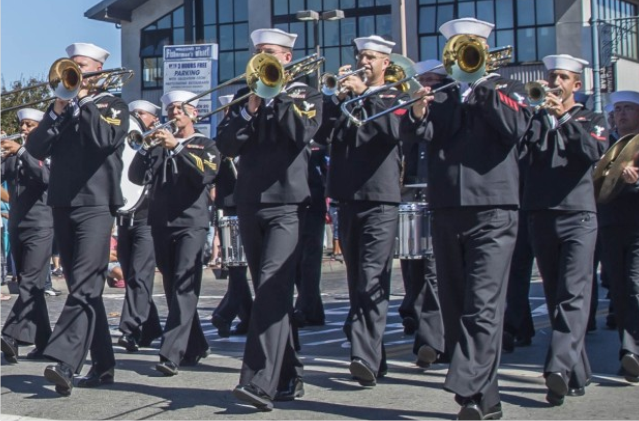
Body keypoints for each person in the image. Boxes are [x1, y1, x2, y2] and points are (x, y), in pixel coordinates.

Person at [402, 18, 531, 420]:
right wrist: (418, 111)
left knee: (483, 304)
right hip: (446, 208)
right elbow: (416, 140)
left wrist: (484, 86)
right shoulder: (441, 94)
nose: (465, 56)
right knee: (458, 306)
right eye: (459, 48)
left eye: (470, 48)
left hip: (493, 207)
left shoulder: (506, 88)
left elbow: (515, 128)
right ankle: (484, 401)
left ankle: (465, 382)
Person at [217, 28, 322, 411]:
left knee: (273, 289)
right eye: (259, 52)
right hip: (250, 201)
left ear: (288, 59)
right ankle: (289, 376)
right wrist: (249, 109)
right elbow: (225, 146)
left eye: (271, 52)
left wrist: (275, 98)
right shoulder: (244, 98)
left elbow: (300, 134)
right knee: (269, 291)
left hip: (288, 203)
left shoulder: (305, 95)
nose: (263, 58)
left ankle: (258, 380)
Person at [26, 42, 129, 396]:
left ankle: (66, 363)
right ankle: (103, 364)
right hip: (63, 203)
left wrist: (83, 101)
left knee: (85, 283)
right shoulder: (63, 107)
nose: (76, 73)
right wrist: (55, 110)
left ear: (99, 71)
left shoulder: (112, 105)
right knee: (83, 288)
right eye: (73, 67)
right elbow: (36, 149)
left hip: (97, 203)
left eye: (82, 66)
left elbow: (102, 139)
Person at [315, 34, 407, 387]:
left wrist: (363, 96)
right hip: (347, 196)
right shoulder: (347, 98)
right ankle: (374, 357)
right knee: (357, 280)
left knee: (371, 277)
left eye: (370, 57)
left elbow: (390, 131)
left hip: (380, 198)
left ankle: (363, 356)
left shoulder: (393, 96)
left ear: (386, 62)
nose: (363, 62)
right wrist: (333, 99)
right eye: (360, 56)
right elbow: (321, 135)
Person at [522, 54, 608, 405]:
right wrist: (540, 115)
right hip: (541, 213)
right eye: (551, 76)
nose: (554, 82)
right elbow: (523, 153)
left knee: (574, 294)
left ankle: (556, 368)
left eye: (562, 77)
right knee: (557, 295)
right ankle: (577, 373)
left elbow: (591, 152)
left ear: (576, 84)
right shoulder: (535, 116)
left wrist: (564, 118)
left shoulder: (592, 119)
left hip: (578, 215)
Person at [129, 90, 220, 376]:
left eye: (180, 109)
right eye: (170, 110)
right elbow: (135, 177)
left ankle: (170, 352)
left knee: (184, 285)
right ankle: (195, 344)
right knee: (171, 288)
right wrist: (145, 149)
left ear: (193, 113)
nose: (174, 114)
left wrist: (177, 149)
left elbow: (204, 176)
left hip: (192, 222)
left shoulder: (205, 145)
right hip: (161, 222)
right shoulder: (157, 146)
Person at [398, 59, 447, 366]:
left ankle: (431, 340)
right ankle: (416, 321)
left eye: (433, 80)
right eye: (423, 80)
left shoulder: (447, 109)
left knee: (433, 271)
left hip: (438, 194)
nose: (427, 86)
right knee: (411, 268)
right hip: (410, 193)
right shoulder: (411, 108)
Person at [1, 108, 54, 362]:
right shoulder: (12, 155)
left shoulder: (48, 150)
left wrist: (21, 151)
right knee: (28, 286)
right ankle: (45, 342)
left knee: (32, 282)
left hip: (42, 225)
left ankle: (9, 335)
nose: (23, 129)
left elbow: (45, 177)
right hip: (18, 226)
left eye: (29, 125)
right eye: (22, 125)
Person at [598, 90, 639, 383]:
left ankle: (632, 350)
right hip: (611, 224)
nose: (622, 114)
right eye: (619, 109)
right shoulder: (607, 144)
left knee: (635, 284)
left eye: (629, 108)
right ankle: (629, 356)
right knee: (620, 290)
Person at [116, 99, 163, 352]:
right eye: (132, 113)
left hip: (148, 218)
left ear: (153, 119)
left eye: (140, 114)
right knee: (134, 276)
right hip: (125, 218)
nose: (134, 117)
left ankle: (129, 329)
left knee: (138, 276)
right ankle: (151, 327)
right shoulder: (124, 145)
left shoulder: (159, 145)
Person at [211, 94, 253, 338]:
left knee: (240, 267)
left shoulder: (244, 130)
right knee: (236, 266)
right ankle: (241, 315)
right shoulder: (225, 133)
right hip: (230, 205)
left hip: (245, 203)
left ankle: (227, 313)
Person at [293, 141, 328, 327]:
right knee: (298, 261)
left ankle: (305, 307)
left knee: (310, 260)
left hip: (314, 202)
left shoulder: (318, 145)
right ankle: (314, 310)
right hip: (295, 201)